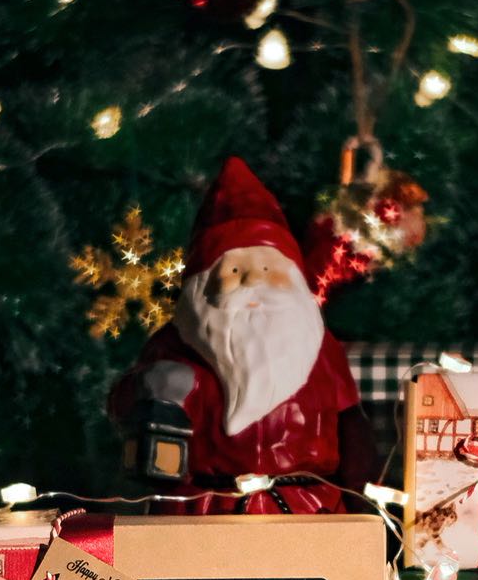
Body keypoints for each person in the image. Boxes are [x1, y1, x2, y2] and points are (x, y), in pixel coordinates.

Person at [110, 157, 377, 513]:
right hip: (202, 511)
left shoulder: (319, 347)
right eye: (234, 270)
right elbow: (122, 407)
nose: (253, 281)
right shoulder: (175, 345)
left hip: (307, 510)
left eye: (268, 268)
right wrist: (147, 388)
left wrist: (361, 491)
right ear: (202, 285)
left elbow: (350, 424)